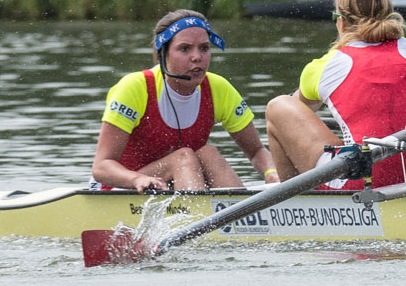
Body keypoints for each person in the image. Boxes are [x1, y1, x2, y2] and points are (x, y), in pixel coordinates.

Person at [262, 0, 406, 186]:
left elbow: (293, 116)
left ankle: (292, 202)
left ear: (341, 22)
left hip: (365, 181)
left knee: (278, 107)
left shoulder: (326, 66)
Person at [91, 12, 276, 192]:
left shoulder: (219, 88)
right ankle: (202, 218)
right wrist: (137, 179)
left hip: (178, 185)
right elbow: (101, 167)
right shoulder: (135, 88)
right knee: (183, 157)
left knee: (208, 154)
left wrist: (272, 174)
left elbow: (257, 151)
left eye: (204, 48)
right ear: (164, 54)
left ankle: (238, 218)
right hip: (124, 187)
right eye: (185, 49)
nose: (197, 57)